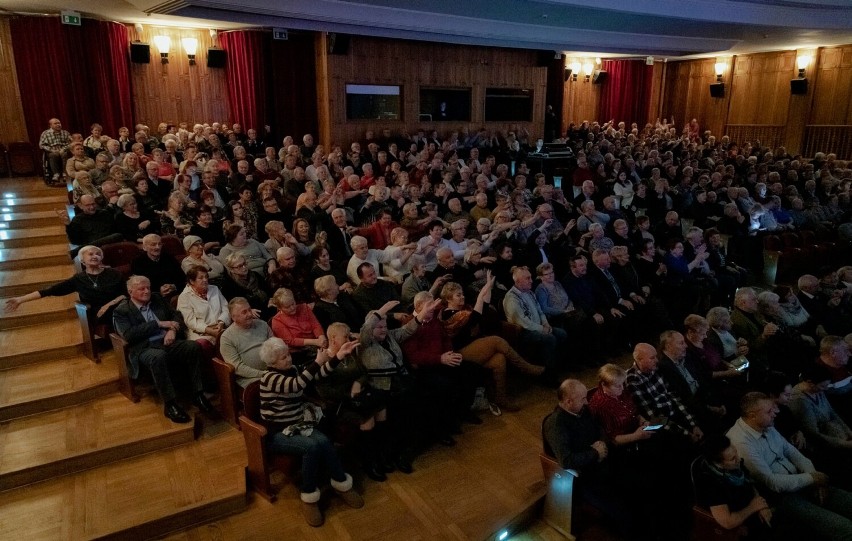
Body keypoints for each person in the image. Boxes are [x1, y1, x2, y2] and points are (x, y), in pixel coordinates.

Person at [258, 337, 363, 526]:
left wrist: (337, 356)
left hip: (297, 424)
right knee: (312, 447)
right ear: (272, 362)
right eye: (283, 358)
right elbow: (297, 385)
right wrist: (316, 362)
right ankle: (309, 496)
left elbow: (318, 374)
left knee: (322, 441)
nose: (288, 359)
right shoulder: (269, 378)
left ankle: (341, 484)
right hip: (277, 433)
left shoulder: (293, 370)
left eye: (288, 355)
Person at [727, 392, 852, 540]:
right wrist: (811, 478)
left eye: (773, 408)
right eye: (769, 411)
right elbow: (772, 483)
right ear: (752, 416)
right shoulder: (741, 443)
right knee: (845, 528)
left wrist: (813, 477)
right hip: (780, 496)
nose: (775, 413)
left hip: (801, 479)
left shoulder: (764, 423)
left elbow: (792, 452)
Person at [542, 379, 638, 539]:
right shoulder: (556, 425)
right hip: (586, 477)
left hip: (605, 463)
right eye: (583, 399)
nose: (587, 401)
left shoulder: (583, 410)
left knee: (638, 489)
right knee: (624, 513)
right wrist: (595, 453)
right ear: (568, 401)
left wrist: (602, 445)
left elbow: (599, 428)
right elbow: (566, 460)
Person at [112, 275, 212, 423]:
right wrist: (158, 324)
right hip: (144, 347)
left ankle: (197, 393)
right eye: (141, 289)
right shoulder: (122, 311)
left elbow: (176, 316)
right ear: (130, 291)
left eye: (148, 288)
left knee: (193, 346)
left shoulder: (157, 298)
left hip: (168, 341)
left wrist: (172, 330)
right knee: (158, 357)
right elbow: (129, 335)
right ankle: (170, 404)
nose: (147, 291)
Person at [440, 275, 543, 411]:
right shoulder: (448, 314)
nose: (462, 297)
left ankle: (501, 398)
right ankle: (525, 367)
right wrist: (481, 293)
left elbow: (484, 307)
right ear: (448, 299)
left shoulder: (463, 310)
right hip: (459, 352)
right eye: (458, 295)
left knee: (499, 360)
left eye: (462, 294)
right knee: (496, 341)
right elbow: (474, 318)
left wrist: (488, 287)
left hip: (472, 347)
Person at [4, 245, 125, 323]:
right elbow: (49, 290)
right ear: (82, 260)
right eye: (91, 254)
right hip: (100, 313)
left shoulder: (113, 273)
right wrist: (21, 299)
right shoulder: (78, 279)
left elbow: (126, 293)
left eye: (98, 254)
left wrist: (109, 304)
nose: (95, 256)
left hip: (119, 305)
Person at [692, 434, 775, 539]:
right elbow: (728, 522)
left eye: (735, 451)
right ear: (718, 464)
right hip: (740, 524)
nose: (738, 459)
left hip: (753, 509)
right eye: (732, 459)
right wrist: (753, 507)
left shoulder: (736, 465)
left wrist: (762, 507)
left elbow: (749, 484)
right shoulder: (711, 484)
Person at [503, 265, 569, 382]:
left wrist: (546, 324)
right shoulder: (511, 298)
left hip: (538, 326)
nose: (531, 281)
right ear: (518, 281)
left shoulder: (529, 292)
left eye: (530, 277)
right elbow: (523, 322)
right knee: (550, 339)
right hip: (523, 332)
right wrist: (541, 329)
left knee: (561, 333)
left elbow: (540, 311)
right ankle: (547, 376)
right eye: (527, 278)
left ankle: (559, 367)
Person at [176, 265, 231, 362]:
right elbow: (190, 321)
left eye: (206, 277)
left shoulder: (214, 289)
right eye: (201, 278)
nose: (205, 280)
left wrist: (221, 322)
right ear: (192, 281)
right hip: (200, 333)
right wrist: (209, 330)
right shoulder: (184, 297)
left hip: (220, 327)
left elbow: (225, 307)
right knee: (204, 344)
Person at [219, 297, 274, 388]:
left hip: (272, 371)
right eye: (244, 312)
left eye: (249, 310)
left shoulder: (263, 324)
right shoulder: (226, 337)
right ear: (233, 317)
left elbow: (275, 348)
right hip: (249, 378)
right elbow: (237, 368)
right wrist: (264, 374)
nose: (249, 314)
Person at [270, 288, 327, 366]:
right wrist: (315, 342)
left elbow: (315, 325)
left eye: (293, 303)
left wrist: (321, 337)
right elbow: (291, 341)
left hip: (317, 343)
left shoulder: (304, 307)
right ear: (279, 308)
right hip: (299, 352)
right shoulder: (276, 321)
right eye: (287, 307)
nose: (292, 307)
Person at [131, 234, 185, 300]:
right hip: (152, 298)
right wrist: (158, 291)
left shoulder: (169, 257)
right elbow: (139, 286)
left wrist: (174, 286)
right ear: (144, 247)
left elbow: (182, 277)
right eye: (153, 244)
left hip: (176, 293)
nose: (157, 247)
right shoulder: (137, 262)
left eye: (159, 244)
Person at [40, 118, 72, 182]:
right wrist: (51, 150)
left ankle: (65, 173)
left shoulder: (65, 133)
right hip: (52, 151)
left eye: (59, 123)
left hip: (63, 150)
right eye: (55, 123)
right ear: (51, 125)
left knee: (65, 154)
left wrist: (63, 149)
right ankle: (56, 174)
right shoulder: (45, 133)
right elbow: (42, 145)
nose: (58, 125)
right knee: (53, 155)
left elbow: (71, 143)